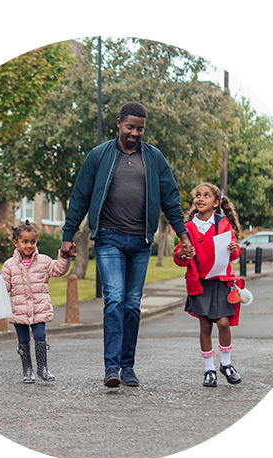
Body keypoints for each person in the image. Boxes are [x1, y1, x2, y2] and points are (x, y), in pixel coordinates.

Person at [61, 102, 193, 388]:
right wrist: (68, 234)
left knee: (132, 304)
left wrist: (183, 234)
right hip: (109, 238)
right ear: (119, 123)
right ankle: (111, 368)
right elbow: (80, 196)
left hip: (141, 241)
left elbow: (170, 199)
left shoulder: (154, 158)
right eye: (130, 127)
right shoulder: (99, 155)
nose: (135, 133)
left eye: (140, 128)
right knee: (115, 298)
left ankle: (127, 366)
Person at [173, 182, 244, 387]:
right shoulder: (187, 228)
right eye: (197, 195)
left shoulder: (222, 224)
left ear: (215, 203)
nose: (200, 199)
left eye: (206, 195)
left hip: (220, 282)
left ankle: (226, 364)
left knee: (223, 323)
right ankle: (209, 370)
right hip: (199, 283)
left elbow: (234, 253)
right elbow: (179, 257)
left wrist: (234, 248)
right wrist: (182, 254)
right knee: (205, 327)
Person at [1, 221, 71, 383]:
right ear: (16, 243)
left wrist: (64, 256)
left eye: (32, 241)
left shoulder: (44, 261)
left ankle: (43, 369)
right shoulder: (9, 265)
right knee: (23, 340)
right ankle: (27, 371)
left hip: (39, 307)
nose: (29, 245)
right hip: (19, 309)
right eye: (24, 242)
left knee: (40, 336)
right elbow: (5, 286)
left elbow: (59, 269)